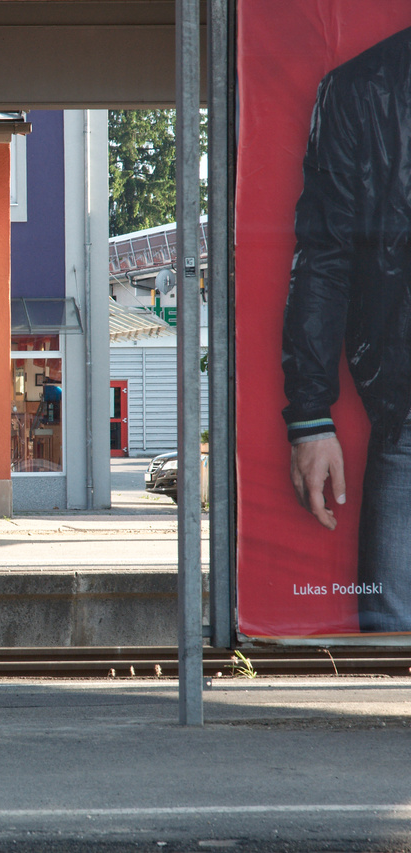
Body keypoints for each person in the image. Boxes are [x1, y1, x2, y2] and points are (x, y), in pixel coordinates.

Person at [282, 25, 411, 632]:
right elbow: (325, 260)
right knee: (388, 671)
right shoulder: (362, 90)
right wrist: (310, 416)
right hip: (408, 420)